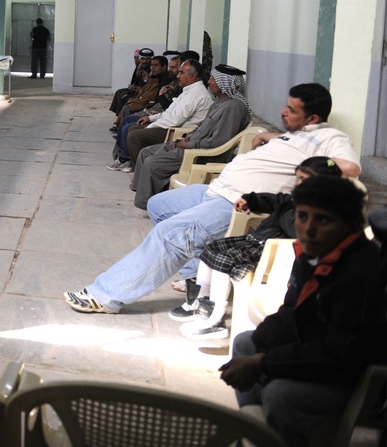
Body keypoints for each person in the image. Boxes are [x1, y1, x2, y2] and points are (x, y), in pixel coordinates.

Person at [64, 83, 360, 315]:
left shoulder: (331, 138)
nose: (284, 112)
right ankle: (195, 275)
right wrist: (268, 136)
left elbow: (350, 168)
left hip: (237, 203)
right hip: (215, 190)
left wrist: (317, 165)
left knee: (170, 235)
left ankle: (106, 295)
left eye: (292, 110)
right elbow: (290, 143)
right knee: (158, 205)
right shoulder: (296, 135)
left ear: (314, 118)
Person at [220, 176, 384, 447]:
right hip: (318, 347)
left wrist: (265, 362)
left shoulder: (362, 274)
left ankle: (282, 436)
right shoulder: (312, 254)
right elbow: (291, 311)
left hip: (356, 377)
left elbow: (340, 355)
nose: (307, 230)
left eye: (323, 220)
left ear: (351, 225)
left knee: (279, 394)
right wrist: (262, 349)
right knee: (245, 343)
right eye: (302, 216)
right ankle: (259, 433)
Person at [173, 156, 343, 338]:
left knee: (223, 260)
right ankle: (201, 300)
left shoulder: (313, 212)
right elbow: (274, 200)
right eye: (298, 178)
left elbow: (299, 232)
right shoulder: (295, 200)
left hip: (270, 252)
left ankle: (215, 320)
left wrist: (291, 211)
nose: (298, 183)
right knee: (213, 248)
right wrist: (250, 200)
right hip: (255, 242)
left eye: (304, 180)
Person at [130, 63, 252, 208]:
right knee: (146, 152)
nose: (209, 81)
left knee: (152, 162)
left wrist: (188, 145)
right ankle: (143, 193)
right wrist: (187, 137)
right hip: (191, 144)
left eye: (213, 79)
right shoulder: (219, 104)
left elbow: (219, 142)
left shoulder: (233, 107)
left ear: (223, 83)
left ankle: (150, 204)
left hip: (202, 153)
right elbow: (201, 128)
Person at [107, 59, 213, 173]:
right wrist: (150, 118)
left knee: (133, 134)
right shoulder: (189, 90)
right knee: (131, 126)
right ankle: (127, 160)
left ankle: (138, 168)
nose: (178, 76)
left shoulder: (196, 94)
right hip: (168, 124)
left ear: (193, 76)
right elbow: (170, 112)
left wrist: (151, 126)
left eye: (182, 73)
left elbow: (174, 120)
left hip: (176, 130)